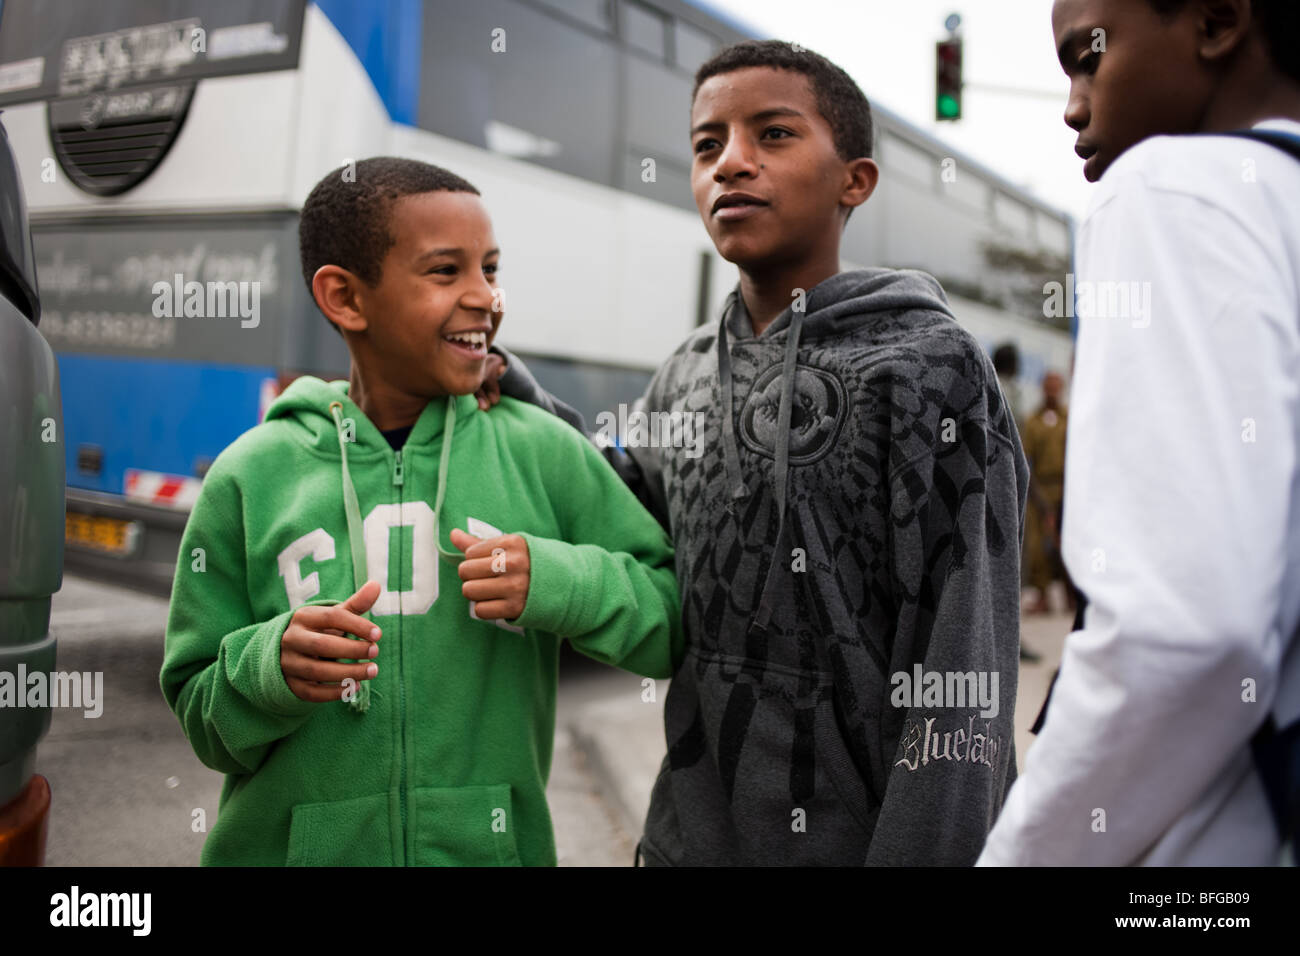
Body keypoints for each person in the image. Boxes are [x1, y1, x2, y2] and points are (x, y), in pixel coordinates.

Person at [493, 40, 1029, 865]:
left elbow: (962, 668)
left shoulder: (929, 368)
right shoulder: (682, 373)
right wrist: (520, 393)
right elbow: (627, 508)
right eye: (708, 145)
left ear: (855, 180)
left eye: (772, 135)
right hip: (686, 843)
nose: (731, 163)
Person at [159, 158, 683, 866]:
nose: (486, 298)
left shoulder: (543, 452)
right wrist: (267, 670)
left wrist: (559, 582)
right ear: (345, 297)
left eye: (490, 269)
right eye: (446, 272)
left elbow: (668, 623)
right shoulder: (251, 476)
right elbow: (201, 718)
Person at [979, 0, 1300, 865]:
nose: (1074, 105)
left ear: (1218, 22)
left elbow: (1183, 634)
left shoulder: (1174, 188)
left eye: (1088, 58)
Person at [1021, 370, 1071, 615]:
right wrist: (1038, 499)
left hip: (1066, 487)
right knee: (1038, 547)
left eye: (1056, 386)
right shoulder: (1033, 420)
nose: (1052, 391)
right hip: (1040, 488)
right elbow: (1026, 457)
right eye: (1048, 387)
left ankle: (1073, 595)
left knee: (1069, 543)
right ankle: (1042, 597)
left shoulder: (1069, 418)